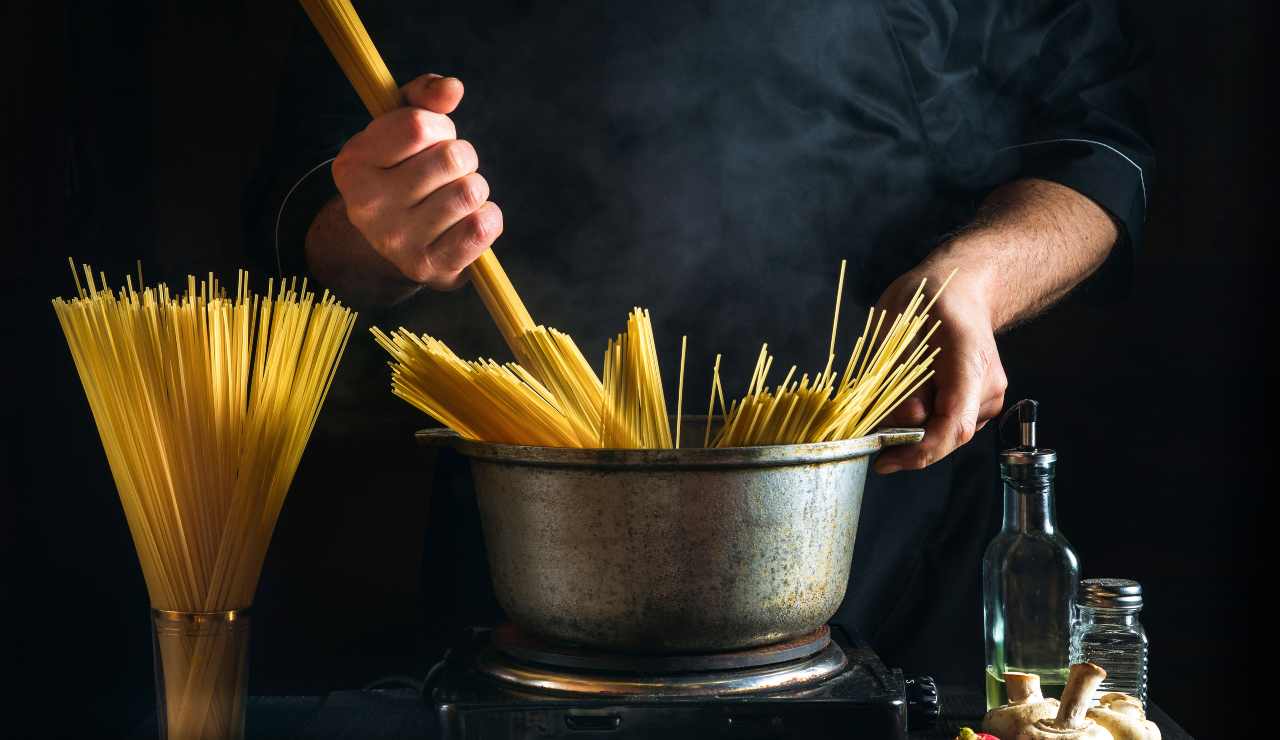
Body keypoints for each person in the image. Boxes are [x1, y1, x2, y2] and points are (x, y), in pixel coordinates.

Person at [248, 0, 1151, 682]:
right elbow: (309, 215)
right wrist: (376, 226)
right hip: (534, 497)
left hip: (882, 490)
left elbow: (1088, 143)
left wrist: (978, 276)